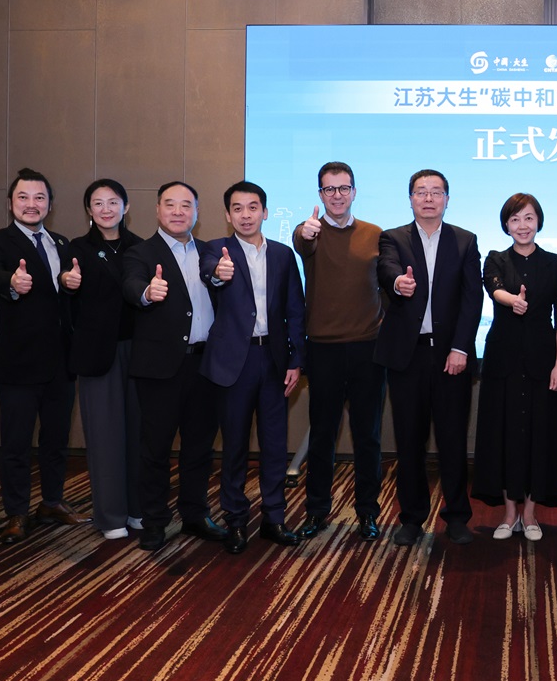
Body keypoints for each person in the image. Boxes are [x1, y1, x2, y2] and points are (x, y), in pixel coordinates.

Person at [0, 168, 89, 544]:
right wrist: (11, 282)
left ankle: (52, 502)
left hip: (61, 362)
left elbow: (65, 296)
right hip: (19, 363)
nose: (31, 204)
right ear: (10, 203)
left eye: (39, 197)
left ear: (50, 204)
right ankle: (16, 512)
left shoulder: (61, 242)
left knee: (56, 439)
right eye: (23, 197)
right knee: (17, 442)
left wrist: (70, 285)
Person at [375, 169, 483, 547]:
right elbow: (386, 268)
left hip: (451, 356)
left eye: (436, 192)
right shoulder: (393, 238)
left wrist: (461, 348)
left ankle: (457, 517)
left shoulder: (465, 241)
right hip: (409, 356)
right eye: (421, 192)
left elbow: (472, 299)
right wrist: (397, 282)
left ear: (447, 199)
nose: (428, 198)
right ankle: (411, 518)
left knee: (453, 440)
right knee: (409, 442)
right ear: (410, 199)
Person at [201, 181, 307, 554]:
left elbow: (295, 309)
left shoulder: (282, 254)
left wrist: (296, 359)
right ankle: (235, 520)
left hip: (274, 360)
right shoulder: (216, 249)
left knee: (275, 444)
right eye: (237, 208)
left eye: (252, 207)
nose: (245, 215)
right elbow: (210, 272)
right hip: (235, 362)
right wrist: (219, 272)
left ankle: (274, 518)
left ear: (264, 211)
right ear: (227, 214)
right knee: (234, 446)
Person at [122, 182, 225, 552]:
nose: (178, 212)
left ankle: (195, 514)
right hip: (160, 368)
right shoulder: (140, 252)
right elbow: (131, 285)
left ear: (197, 211)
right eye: (170, 204)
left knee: (200, 447)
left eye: (186, 205)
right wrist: (147, 293)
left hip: (205, 365)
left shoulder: (211, 252)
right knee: (155, 449)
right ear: (157, 210)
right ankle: (154, 521)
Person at [292, 162, 386, 543]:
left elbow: (387, 283)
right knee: (322, 436)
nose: (337, 195)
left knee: (368, 437)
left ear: (354, 192)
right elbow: (302, 243)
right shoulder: (310, 231)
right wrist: (305, 231)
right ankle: (316, 511)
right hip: (324, 349)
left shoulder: (375, 234)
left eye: (343, 188)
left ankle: (368, 512)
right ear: (320, 194)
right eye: (329, 189)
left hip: (368, 349)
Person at [472, 193, 557, 540]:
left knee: (538, 435)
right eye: (515, 219)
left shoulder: (555, 262)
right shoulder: (496, 259)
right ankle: (508, 513)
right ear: (506, 225)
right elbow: (494, 289)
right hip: (503, 360)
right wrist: (513, 300)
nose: (522, 225)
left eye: (529, 218)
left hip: (543, 360)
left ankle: (530, 514)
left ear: (538, 221)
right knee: (503, 434)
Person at [63, 179, 145, 541]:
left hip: (139, 351)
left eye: (113, 202)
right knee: (105, 435)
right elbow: (66, 290)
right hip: (98, 353)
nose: (106, 209)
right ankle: (110, 516)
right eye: (98, 203)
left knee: (139, 433)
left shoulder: (141, 247)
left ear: (126, 207)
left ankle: (137, 509)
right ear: (88, 210)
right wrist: (67, 282)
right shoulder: (76, 249)